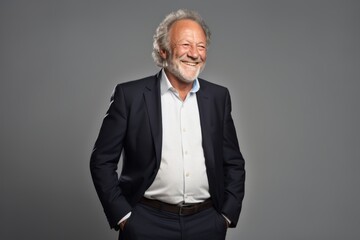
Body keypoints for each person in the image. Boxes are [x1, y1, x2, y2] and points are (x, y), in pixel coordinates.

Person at [90, 9, 245, 240]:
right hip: (147, 222)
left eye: (201, 46)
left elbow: (233, 162)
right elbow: (101, 160)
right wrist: (123, 217)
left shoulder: (218, 97)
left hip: (207, 223)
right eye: (185, 45)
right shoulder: (130, 96)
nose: (194, 54)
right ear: (163, 50)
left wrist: (226, 216)